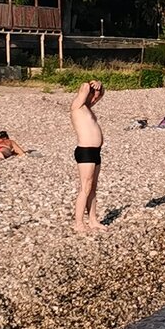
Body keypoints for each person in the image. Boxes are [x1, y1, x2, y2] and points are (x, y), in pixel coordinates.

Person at [70, 80, 105, 232]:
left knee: (93, 188)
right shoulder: (76, 106)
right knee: (85, 187)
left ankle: (93, 220)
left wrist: (99, 86)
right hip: (85, 151)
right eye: (92, 94)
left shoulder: (88, 108)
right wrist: (91, 84)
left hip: (95, 152)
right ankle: (78, 223)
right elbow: (84, 87)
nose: (94, 97)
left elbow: (100, 94)